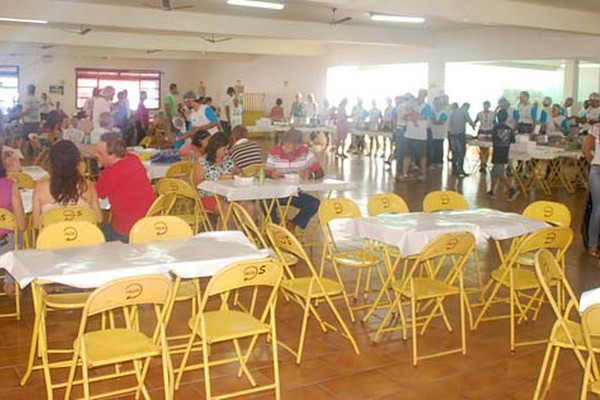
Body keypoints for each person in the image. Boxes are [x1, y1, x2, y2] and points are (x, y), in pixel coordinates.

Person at [95, 132, 155, 242]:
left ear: (112, 155)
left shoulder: (109, 174)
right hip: (150, 223)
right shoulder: (134, 159)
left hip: (128, 232)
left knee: (95, 235)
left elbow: (98, 194)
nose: (96, 156)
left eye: (100, 153)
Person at [32, 140, 102, 229]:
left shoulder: (40, 187)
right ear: (77, 161)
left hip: (51, 240)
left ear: (51, 161)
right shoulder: (88, 186)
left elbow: (36, 224)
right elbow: (99, 219)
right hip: (84, 240)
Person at [265, 128, 322, 232]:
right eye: (284, 143)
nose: (285, 147)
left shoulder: (305, 153)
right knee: (264, 201)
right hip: (276, 193)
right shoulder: (275, 153)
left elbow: (320, 172)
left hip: (296, 193)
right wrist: (271, 174)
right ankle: (276, 228)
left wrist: (311, 175)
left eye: (289, 145)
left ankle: (293, 223)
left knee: (314, 203)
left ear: (298, 145)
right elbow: (266, 173)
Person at [196, 132, 255, 224]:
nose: (226, 152)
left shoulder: (228, 160)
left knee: (249, 206)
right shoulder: (202, 162)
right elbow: (198, 184)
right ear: (216, 148)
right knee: (226, 208)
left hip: (228, 196)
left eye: (227, 149)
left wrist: (239, 175)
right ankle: (228, 236)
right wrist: (218, 178)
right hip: (209, 197)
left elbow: (240, 172)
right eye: (224, 149)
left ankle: (248, 234)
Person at [0, 150, 26, 295]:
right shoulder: (10, 185)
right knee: (20, 235)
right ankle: (11, 280)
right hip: (5, 248)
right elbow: (21, 225)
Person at [399, 90, 432, 181]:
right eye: (419, 94)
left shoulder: (427, 107)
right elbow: (404, 117)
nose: (419, 96)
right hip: (409, 134)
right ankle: (405, 174)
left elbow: (423, 117)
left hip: (420, 135)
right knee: (407, 154)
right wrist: (412, 114)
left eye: (421, 94)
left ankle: (423, 173)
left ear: (425, 96)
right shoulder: (412, 105)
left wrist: (413, 114)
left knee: (422, 155)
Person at [486, 109, 518, 201]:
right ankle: (492, 190)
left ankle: (512, 189)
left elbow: (493, 138)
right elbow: (513, 140)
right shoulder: (509, 129)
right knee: (494, 172)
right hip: (504, 151)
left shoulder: (495, 128)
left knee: (499, 173)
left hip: (497, 151)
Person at [583, 122, 600, 257]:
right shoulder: (596, 128)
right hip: (598, 171)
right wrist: (594, 164)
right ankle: (592, 245)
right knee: (598, 208)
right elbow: (586, 149)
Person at [448, 102, 475, 177]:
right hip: (460, 135)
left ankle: (454, 170)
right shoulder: (464, 111)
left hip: (452, 134)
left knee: (454, 152)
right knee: (461, 152)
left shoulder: (452, 112)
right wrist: (473, 126)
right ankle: (460, 169)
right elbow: (469, 120)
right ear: (466, 106)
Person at [474, 100, 495, 172]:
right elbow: (475, 121)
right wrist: (473, 125)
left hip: (489, 131)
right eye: (484, 105)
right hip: (482, 131)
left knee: (487, 147)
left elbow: (495, 123)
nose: (485, 107)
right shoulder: (479, 113)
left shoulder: (493, 114)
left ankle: (484, 162)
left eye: (487, 105)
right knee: (481, 148)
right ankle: (482, 162)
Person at [429, 97, 448, 169]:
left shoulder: (444, 112)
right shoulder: (432, 111)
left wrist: (435, 121)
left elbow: (441, 122)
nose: (436, 105)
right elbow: (432, 119)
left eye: (438, 103)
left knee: (439, 148)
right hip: (433, 133)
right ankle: (434, 162)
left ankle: (439, 162)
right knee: (433, 148)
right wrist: (434, 121)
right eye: (435, 103)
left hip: (440, 134)